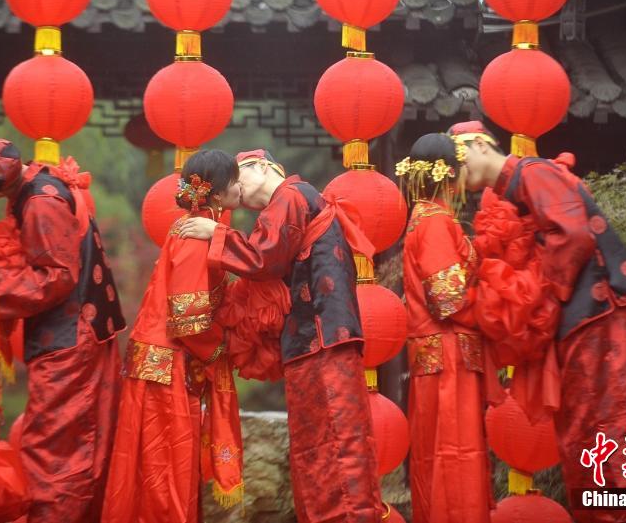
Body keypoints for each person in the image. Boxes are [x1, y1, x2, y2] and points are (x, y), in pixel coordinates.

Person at [449, 121, 626, 523]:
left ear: (481, 145)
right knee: (587, 425)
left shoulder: (535, 173)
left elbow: (572, 235)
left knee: (612, 417)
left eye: (458, 159)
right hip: (578, 319)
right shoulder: (512, 189)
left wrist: (537, 295)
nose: (456, 173)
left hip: (595, 317)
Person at [179, 149, 384, 523]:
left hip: (323, 339)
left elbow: (264, 259)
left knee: (336, 447)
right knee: (317, 449)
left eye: (239, 179)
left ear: (264, 167)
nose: (237, 191)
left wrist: (216, 233)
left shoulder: (290, 196)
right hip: (315, 341)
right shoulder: (290, 203)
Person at [0, 137, 124, 523]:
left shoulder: (40, 203)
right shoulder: (41, 180)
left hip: (70, 338)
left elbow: (56, 277)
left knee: (53, 450)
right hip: (81, 329)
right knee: (82, 444)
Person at [102, 149, 244, 523]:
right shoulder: (196, 237)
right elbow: (187, 319)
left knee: (156, 470)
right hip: (166, 370)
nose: (241, 186)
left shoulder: (196, 227)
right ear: (216, 194)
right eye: (235, 179)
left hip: (162, 366)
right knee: (164, 473)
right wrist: (222, 350)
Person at [396, 133, 496, 523]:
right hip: (450, 357)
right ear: (450, 174)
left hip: (439, 355)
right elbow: (449, 298)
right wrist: (494, 307)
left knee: (437, 453)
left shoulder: (423, 217)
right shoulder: (437, 222)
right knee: (455, 454)